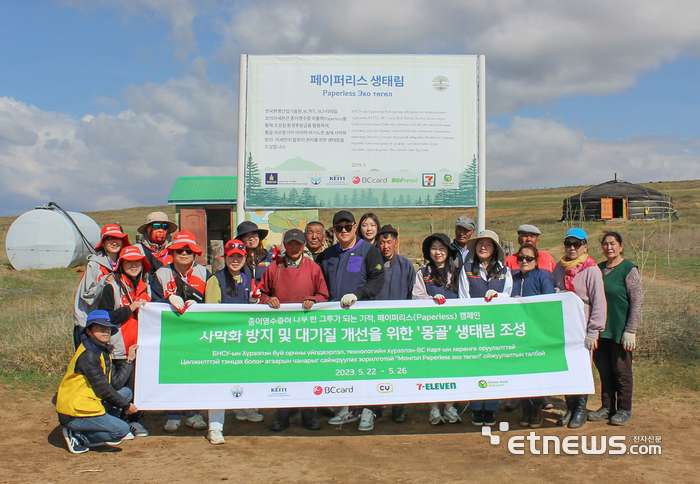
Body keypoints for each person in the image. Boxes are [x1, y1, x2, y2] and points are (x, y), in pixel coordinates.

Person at [252, 228, 329, 432]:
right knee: (283, 374)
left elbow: (324, 295)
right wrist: (269, 299)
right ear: (284, 245)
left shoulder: (313, 268)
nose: (294, 247)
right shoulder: (273, 268)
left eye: (298, 243)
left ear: (304, 245)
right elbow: (260, 294)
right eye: (290, 243)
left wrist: (314, 299)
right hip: (282, 333)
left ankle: (308, 414)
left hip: (307, 331)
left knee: (308, 373)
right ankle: (282, 415)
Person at [316, 210, 385, 430]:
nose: (344, 231)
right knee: (342, 366)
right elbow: (317, 284)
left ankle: (368, 410)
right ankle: (347, 407)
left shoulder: (369, 251)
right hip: (334, 323)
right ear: (333, 230)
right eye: (339, 228)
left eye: (348, 227)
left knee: (365, 366)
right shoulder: (326, 255)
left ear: (355, 227)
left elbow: (377, 280)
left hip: (361, 320)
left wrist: (359, 293)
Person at [204, 239, 262, 444]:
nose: (235, 260)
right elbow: (211, 313)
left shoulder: (248, 276)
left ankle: (244, 408)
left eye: (239, 256)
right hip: (223, 340)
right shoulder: (215, 280)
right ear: (225, 257)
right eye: (232, 257)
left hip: (244, 339)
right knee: (219, 383)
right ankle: (215, 427)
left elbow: (251, 305)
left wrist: (255, 301)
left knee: (245, 375)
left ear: (245, 257)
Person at [151, 231, 209, 432]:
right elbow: (152, 304)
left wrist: (199, 304)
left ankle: (194, 413)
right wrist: (168, 301)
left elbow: (212, 303)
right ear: (172, 252)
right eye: (178, 250)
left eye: (188, 250)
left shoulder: (205, 273)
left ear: (195, 254)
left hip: (195, 333)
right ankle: (173, 414)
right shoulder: (160, 274)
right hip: (170, 332)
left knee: (194, 372)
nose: (183, 254)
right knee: (172, 373)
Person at [56, 310, 138, 453]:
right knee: (121, 430)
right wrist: (126, 406)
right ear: (89, 331)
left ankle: (92, 427)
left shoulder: (102, 350)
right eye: (99, 328)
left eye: (107, 328)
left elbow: (116, 384)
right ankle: (78, 435)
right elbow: (103, 388)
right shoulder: (89, 355)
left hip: (90, 401)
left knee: (126, 392)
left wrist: (129, 360)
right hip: (75, 410)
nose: (105, 331)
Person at [553, 228, 607, 429]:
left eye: (577, 244)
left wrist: (594, 330)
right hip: (563, 326)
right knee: (568, 367)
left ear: (585, 246)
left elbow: (599, 302)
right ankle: (570, 407)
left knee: (582, 368)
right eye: (569, 244)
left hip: (583, 327)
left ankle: (581, 409)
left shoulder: (591, 270)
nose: (572, 248)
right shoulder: (559, 268)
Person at [458, 229, 513, 426]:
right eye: (480, 244)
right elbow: (463, 297)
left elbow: (509, 295)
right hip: (474, 327)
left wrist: (498, 297)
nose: (483, 247)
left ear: (495, 249)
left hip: (496, 327)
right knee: (475, 367)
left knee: (493, 367)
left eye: (488, 244)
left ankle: (490, 408)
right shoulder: (466, 269)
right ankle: (475, 408)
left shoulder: (504, 271)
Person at [588, 232, 642, 426]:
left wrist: (631, 329)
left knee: (622, 371)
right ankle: (607, 407)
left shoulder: (628, 270)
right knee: (604, 369)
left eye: (613, 244)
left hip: (620, 330)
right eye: (605, 244)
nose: (609, 247)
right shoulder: (598, 269)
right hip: (601, 330)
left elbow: (636, 301)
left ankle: (624, 409)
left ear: (621, 246)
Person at [97, 245, 151, 437]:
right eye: (129, 262)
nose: (134, 265)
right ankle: (118, 423)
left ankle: (133, 422)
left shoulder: (146, 288)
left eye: (138, 262)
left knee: (138, 388)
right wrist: (130, 308)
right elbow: (103, 317)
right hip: (119, 348)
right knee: (121, 388)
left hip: (141, 348)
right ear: (121, 265)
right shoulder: (111, 287)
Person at [413, 233, 461, 425]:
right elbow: (417, 297)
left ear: (448, 251)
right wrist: (431, 301)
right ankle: (433, 408)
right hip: (430, 329)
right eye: (434, 248)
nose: (438, 252)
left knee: (452, 366)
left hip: (453, 328)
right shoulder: (423, 273)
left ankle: (450, 407)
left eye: (442, 248)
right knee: (431, 367)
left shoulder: (458, 272)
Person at [374, 224, 417, 423]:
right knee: (376, 367)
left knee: (399, 367)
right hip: (375, 325)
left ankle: (399, 406)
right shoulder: (371, 264)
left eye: (389, 242)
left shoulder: (406, 265)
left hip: (399, 326)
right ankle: (375, 406)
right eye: (381, 242)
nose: (385, 246)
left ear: (396, 243)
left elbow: (412, 294)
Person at [511, 244, 555, 428]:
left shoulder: (542, 277)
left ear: (536, 261)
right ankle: (524, 408)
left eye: (529, 258)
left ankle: (536, 410)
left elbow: (549, 303)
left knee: (535, 373)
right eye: (521, 258)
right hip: (515, 333)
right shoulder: (512, 278)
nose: (524, 261)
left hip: (536, 333)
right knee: (521, 374)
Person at [73, 223, 130, 348]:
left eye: (117, 238)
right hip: (87, 323)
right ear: (103, 243)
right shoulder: (94, 264)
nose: (114, 242)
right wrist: (103, 283)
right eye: (109, 238)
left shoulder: (123, 264)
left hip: (107, 324)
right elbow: (87, 295)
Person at [136, 211, 178, 275]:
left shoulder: (176, 250)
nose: (161, 230)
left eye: (165, 226)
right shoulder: (137, 250)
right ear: (147, 228)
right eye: (156, 226)